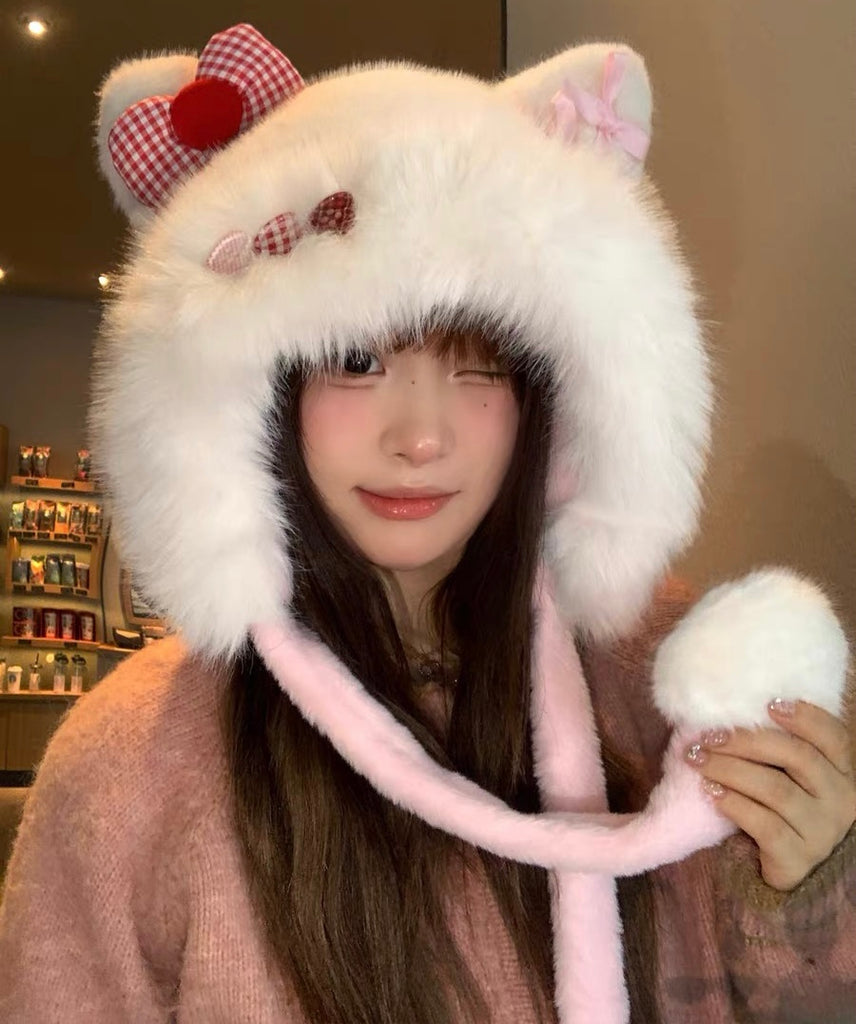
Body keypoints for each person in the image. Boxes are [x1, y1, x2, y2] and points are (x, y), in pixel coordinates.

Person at [1, 22, 854, 1024]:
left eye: (478, 361)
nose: (420, 438)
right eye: (356, 359)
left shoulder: (658, 676)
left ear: (548, 393)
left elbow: (800, 987)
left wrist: (806, 874)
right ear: (257, 386)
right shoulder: (133, 761)